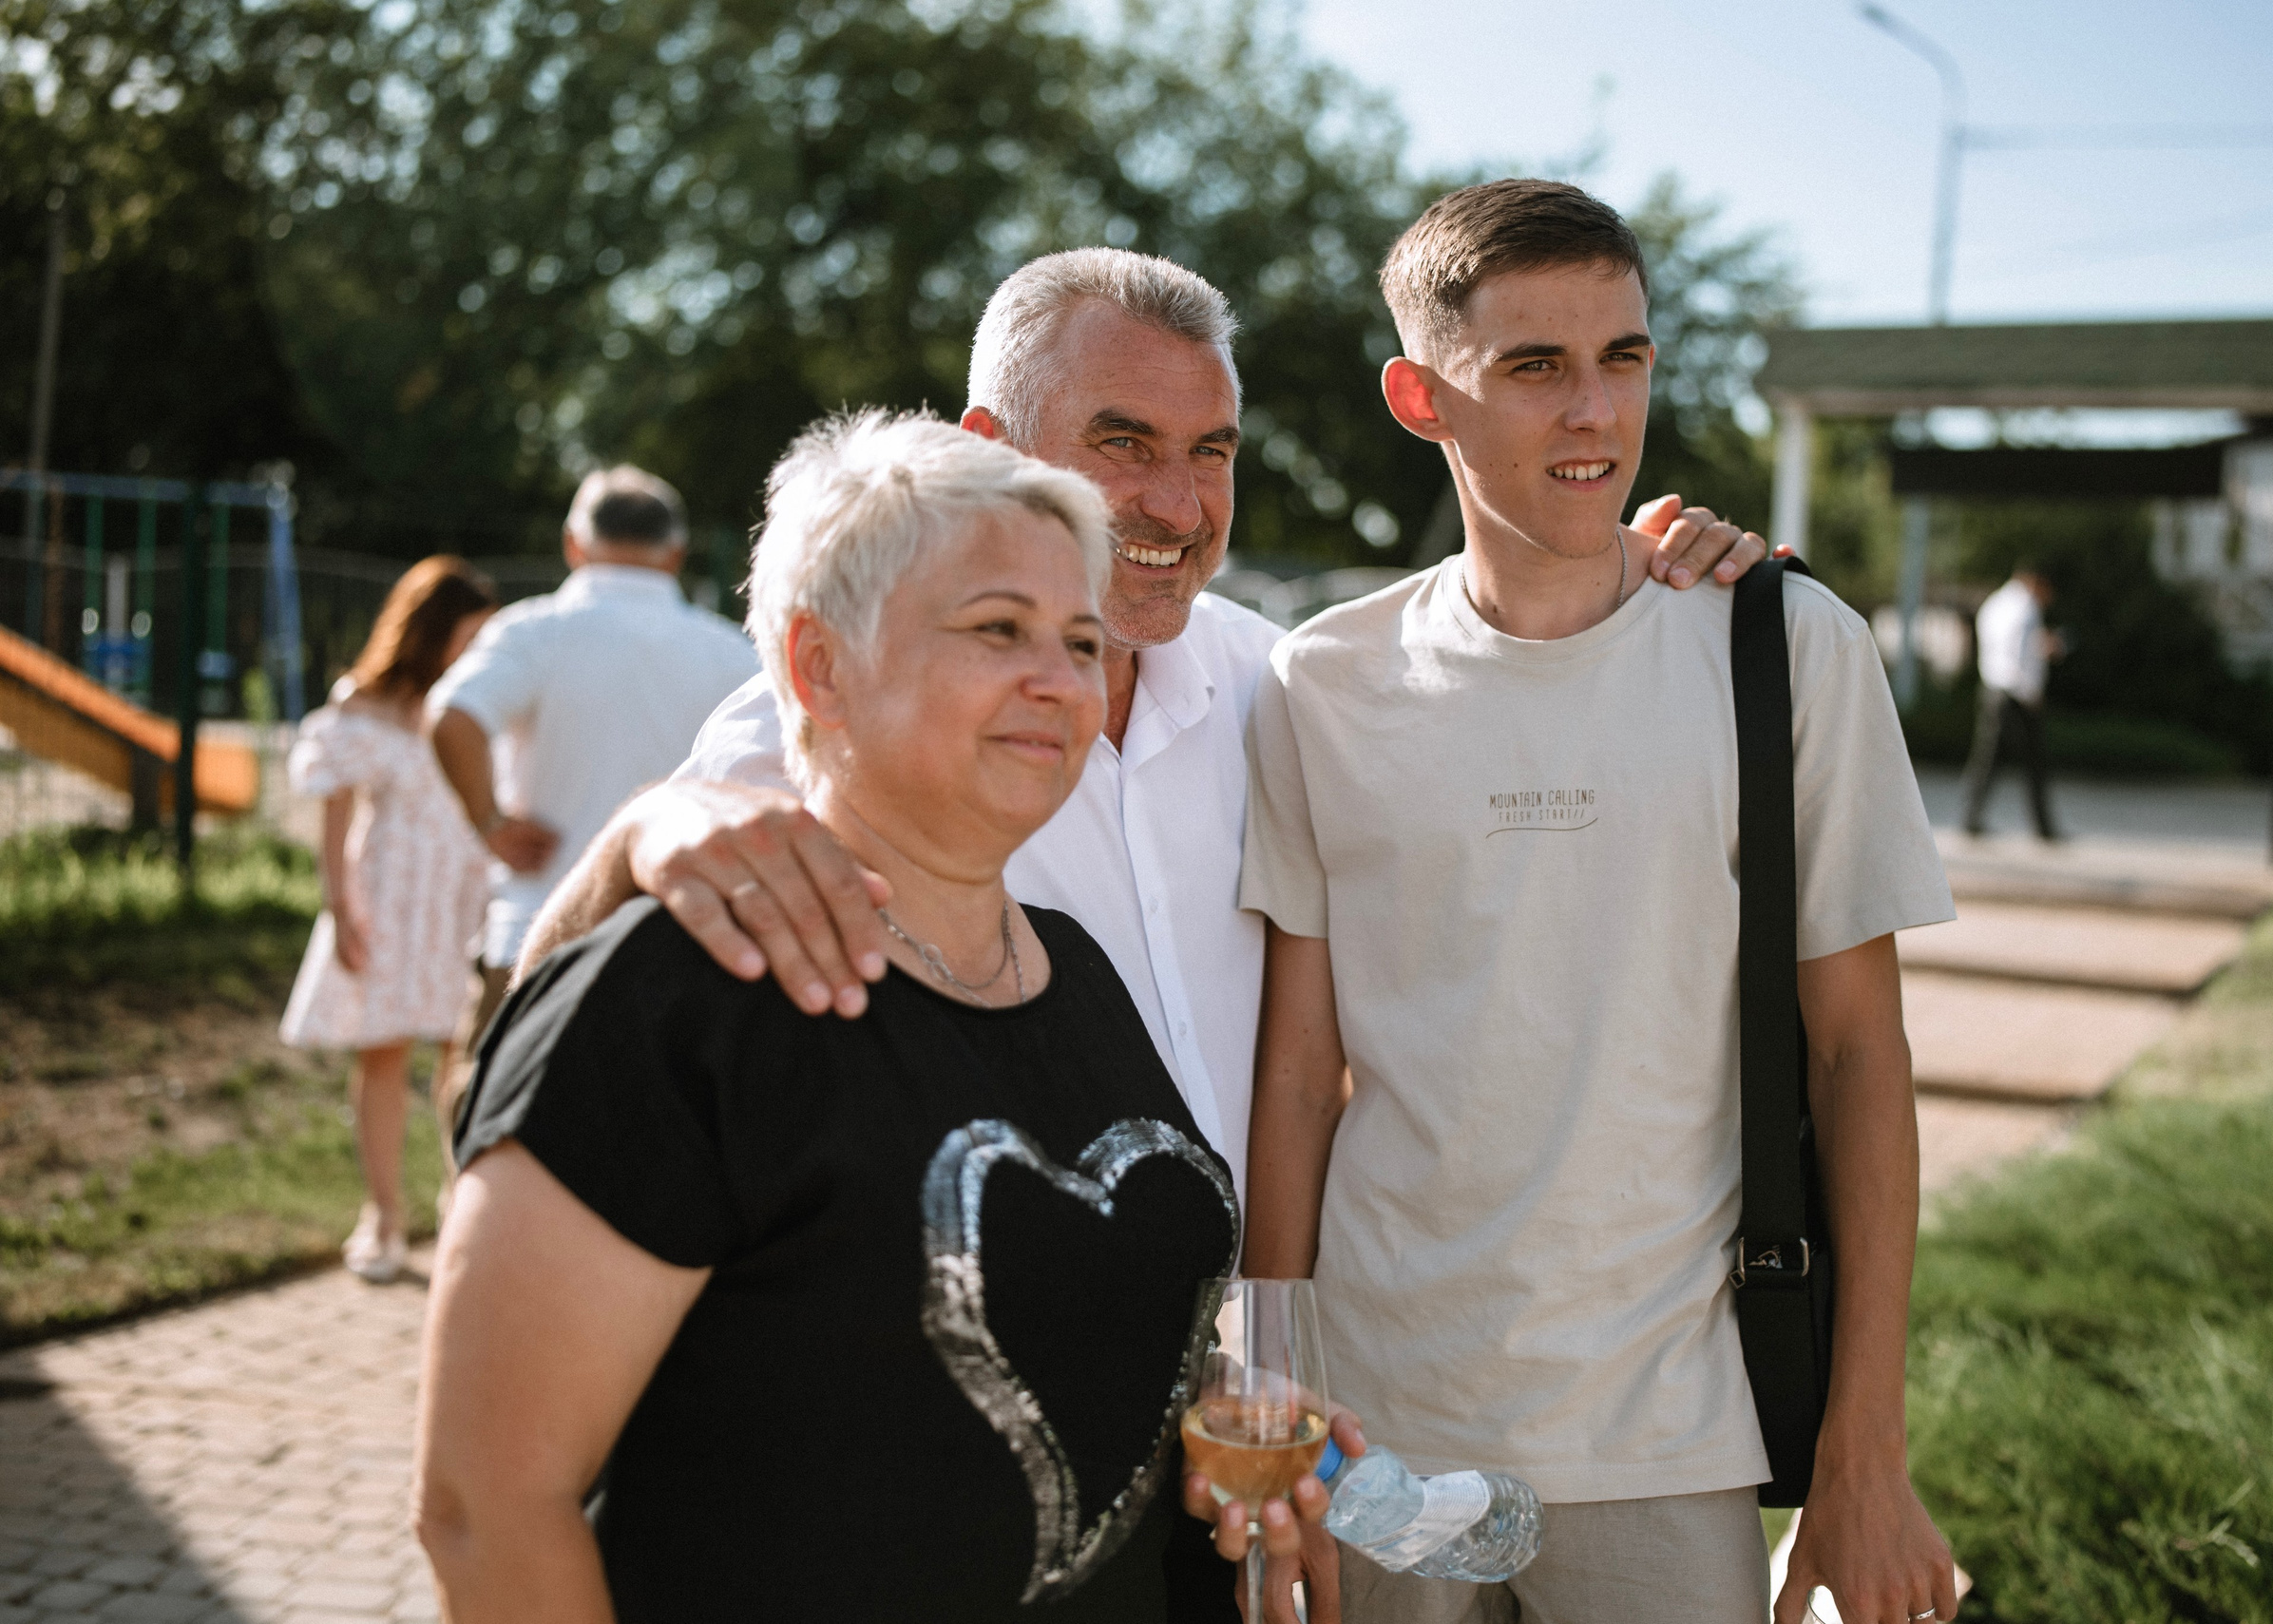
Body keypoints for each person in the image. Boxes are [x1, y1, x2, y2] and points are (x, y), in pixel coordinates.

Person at [513, 247, 1770, 1621]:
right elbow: (550, 1055)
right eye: (1123, 445)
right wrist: (645, 835)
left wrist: (1639, 557)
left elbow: (1497, 658)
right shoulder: (835, 715)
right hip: (930, 1415)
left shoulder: (1270, 682)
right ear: (990, 451)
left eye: (1212, 450)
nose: (1178, 505)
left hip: (1234, 1417)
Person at [416, 411, 1298, 1622]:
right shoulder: (684, 994)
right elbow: (486, 1505)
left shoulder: (1077, 972)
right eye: (998, 629)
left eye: (1081, 640)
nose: (1060, 680)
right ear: (819, 664)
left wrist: (1218, 1433)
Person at [1237, 180, 1960, 1624]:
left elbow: (1860, 1058)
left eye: (1622, 358)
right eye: (1534, 367)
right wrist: (1270, 1406)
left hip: (1669, 1430)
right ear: (1418, 395)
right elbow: (1302, 1074)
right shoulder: (1322, 681)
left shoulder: (1786, 649)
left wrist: (1862, 1451)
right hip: (1385, 1429)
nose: (1595, 413)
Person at [424, 466, 758, 1156]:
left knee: (487, 1108)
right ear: (675, 552)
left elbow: (452, 717)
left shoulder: (535, 632)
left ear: (575, 544)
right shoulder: (732, 651)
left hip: (538, 928)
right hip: (691, 935)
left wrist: (490, 822)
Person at [279, 556, 497, 1283]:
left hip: (466, 897)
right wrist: (341, 908)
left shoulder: (480, 706)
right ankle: (383, 1216)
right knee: (383, 1052)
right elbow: (334, 822)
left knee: (462, 1055)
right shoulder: (361, 706)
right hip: (390, 897)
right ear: (429, 631)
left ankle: (455, 1210)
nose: (475, 649)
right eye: (467, 634)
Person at [1960, 565, 2062, 840]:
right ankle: (2044, 828)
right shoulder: (2024, 608)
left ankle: (1971, 818)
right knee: (2034, 762)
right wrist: (2031, 693)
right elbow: (2016, 656)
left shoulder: (1995, 602)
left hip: (1992, 689)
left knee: (1987, 760)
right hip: (2015, 694)